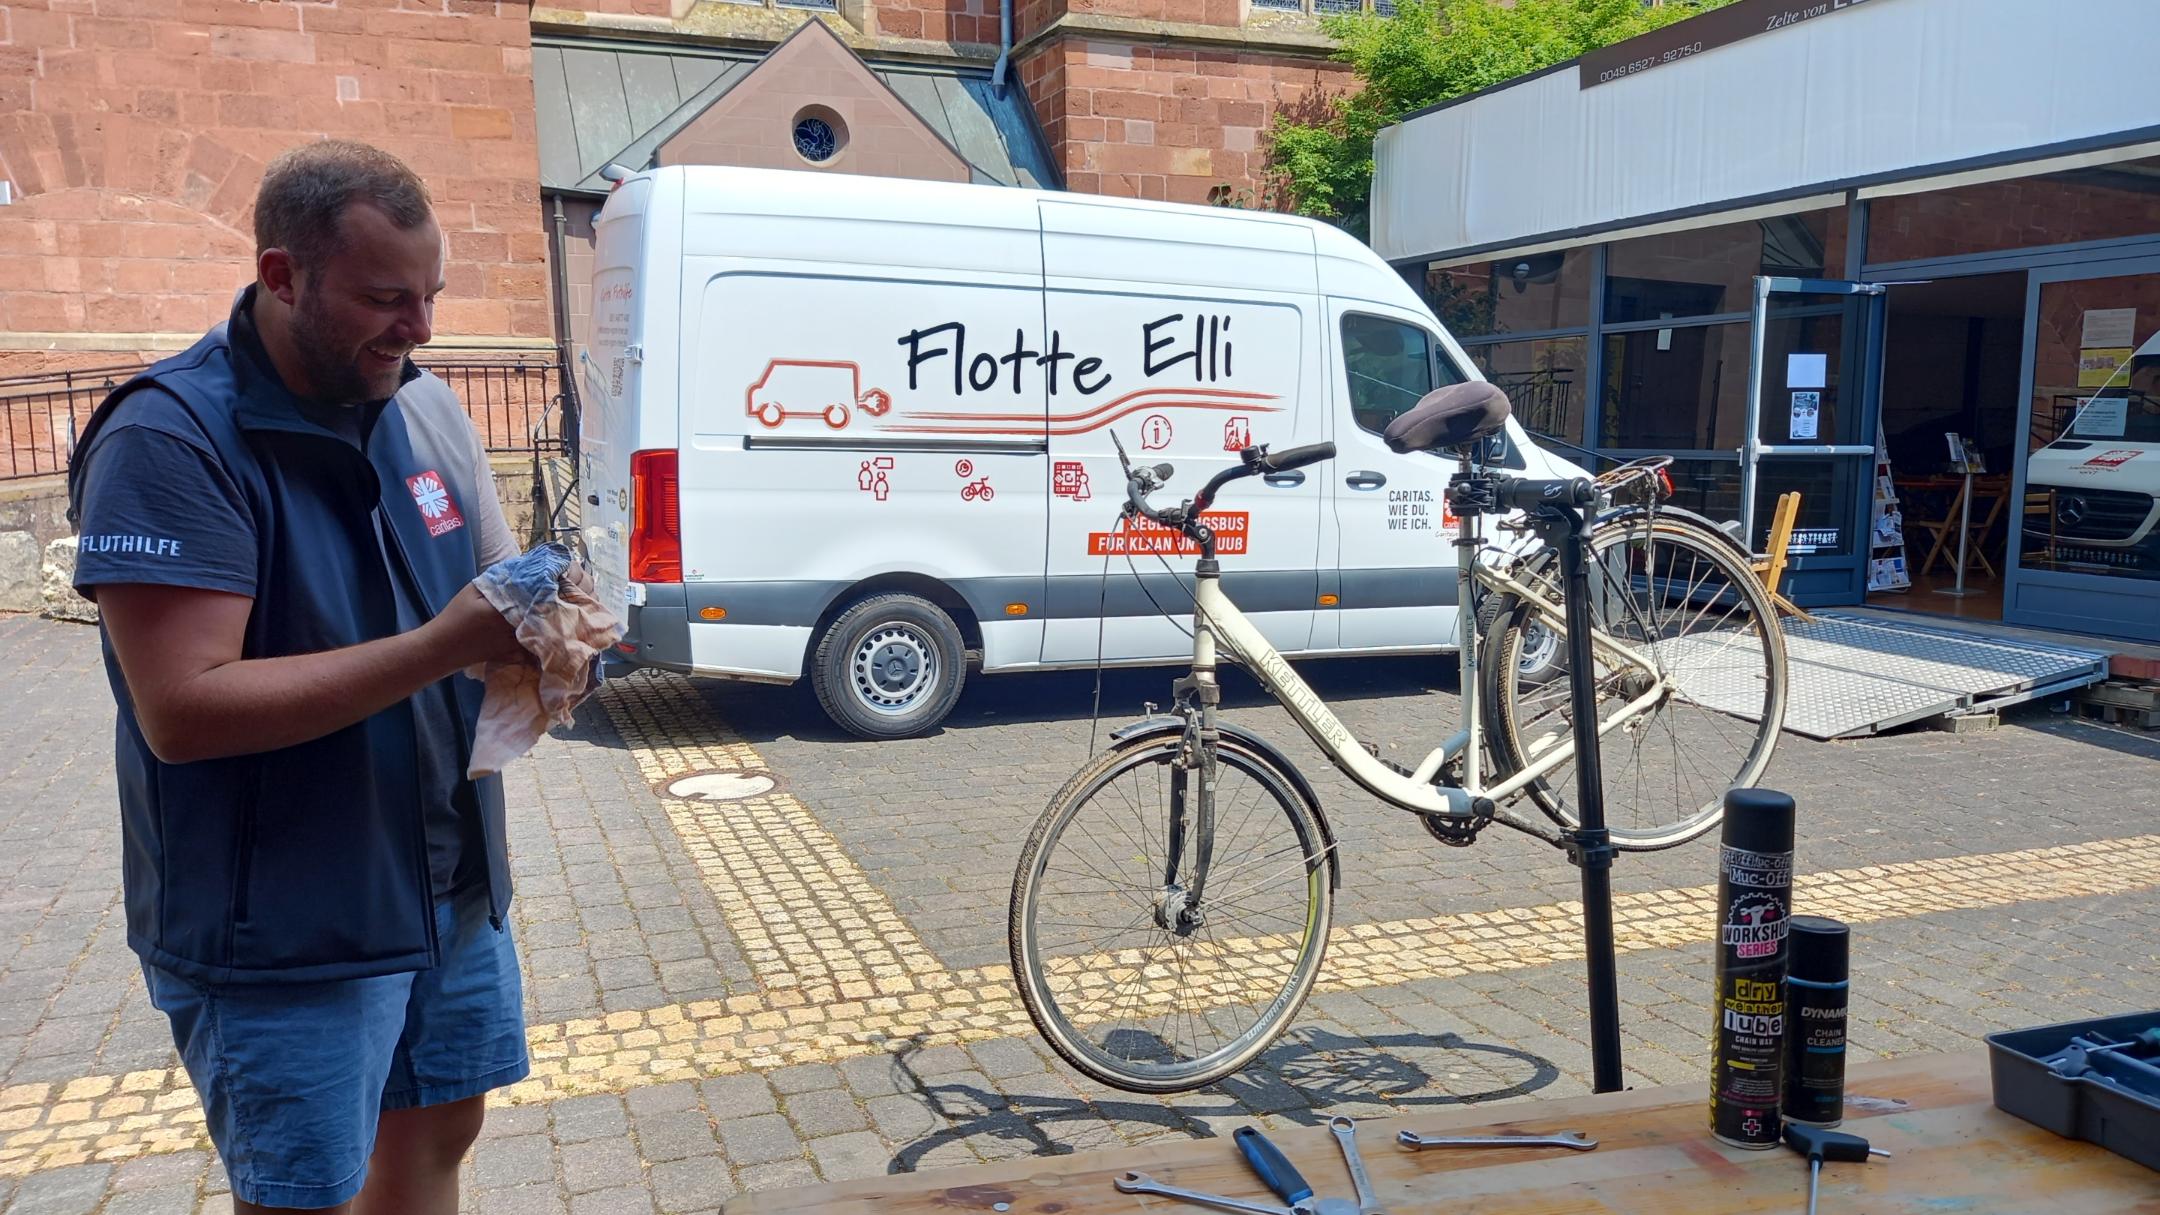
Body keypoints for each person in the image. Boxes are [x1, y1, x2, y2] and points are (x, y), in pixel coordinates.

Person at [65, 140, 532, 1214]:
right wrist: (448, 645)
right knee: (304, 1192)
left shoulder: (424, 409)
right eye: (383, 299)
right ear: (283, 277)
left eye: (430, 295)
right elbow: (182, 711)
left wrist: (548, 647)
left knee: (436, 1138)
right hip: (286, 927)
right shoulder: (169, 438)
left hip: (445, 886)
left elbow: (491, 587)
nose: (419, 331)